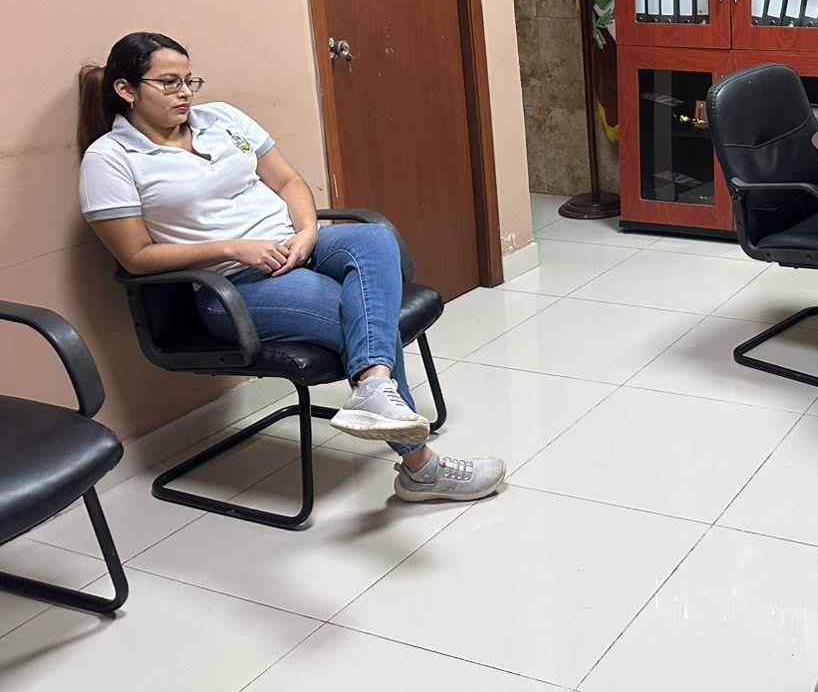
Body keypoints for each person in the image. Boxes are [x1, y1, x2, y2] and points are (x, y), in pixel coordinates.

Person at [77, 31, 506, 503]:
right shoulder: (109, 159)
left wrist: (306, 233)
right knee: (359, 316)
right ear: (126, 89)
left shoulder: (222, 118)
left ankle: (374, 389)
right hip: (231, 286)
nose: (184, 93)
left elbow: (288, 181)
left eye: (189, 80)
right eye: (168, 82)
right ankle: (422, 468)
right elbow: (136, 255)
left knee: (372, 237)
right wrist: (237, 248)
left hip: (297, 246)